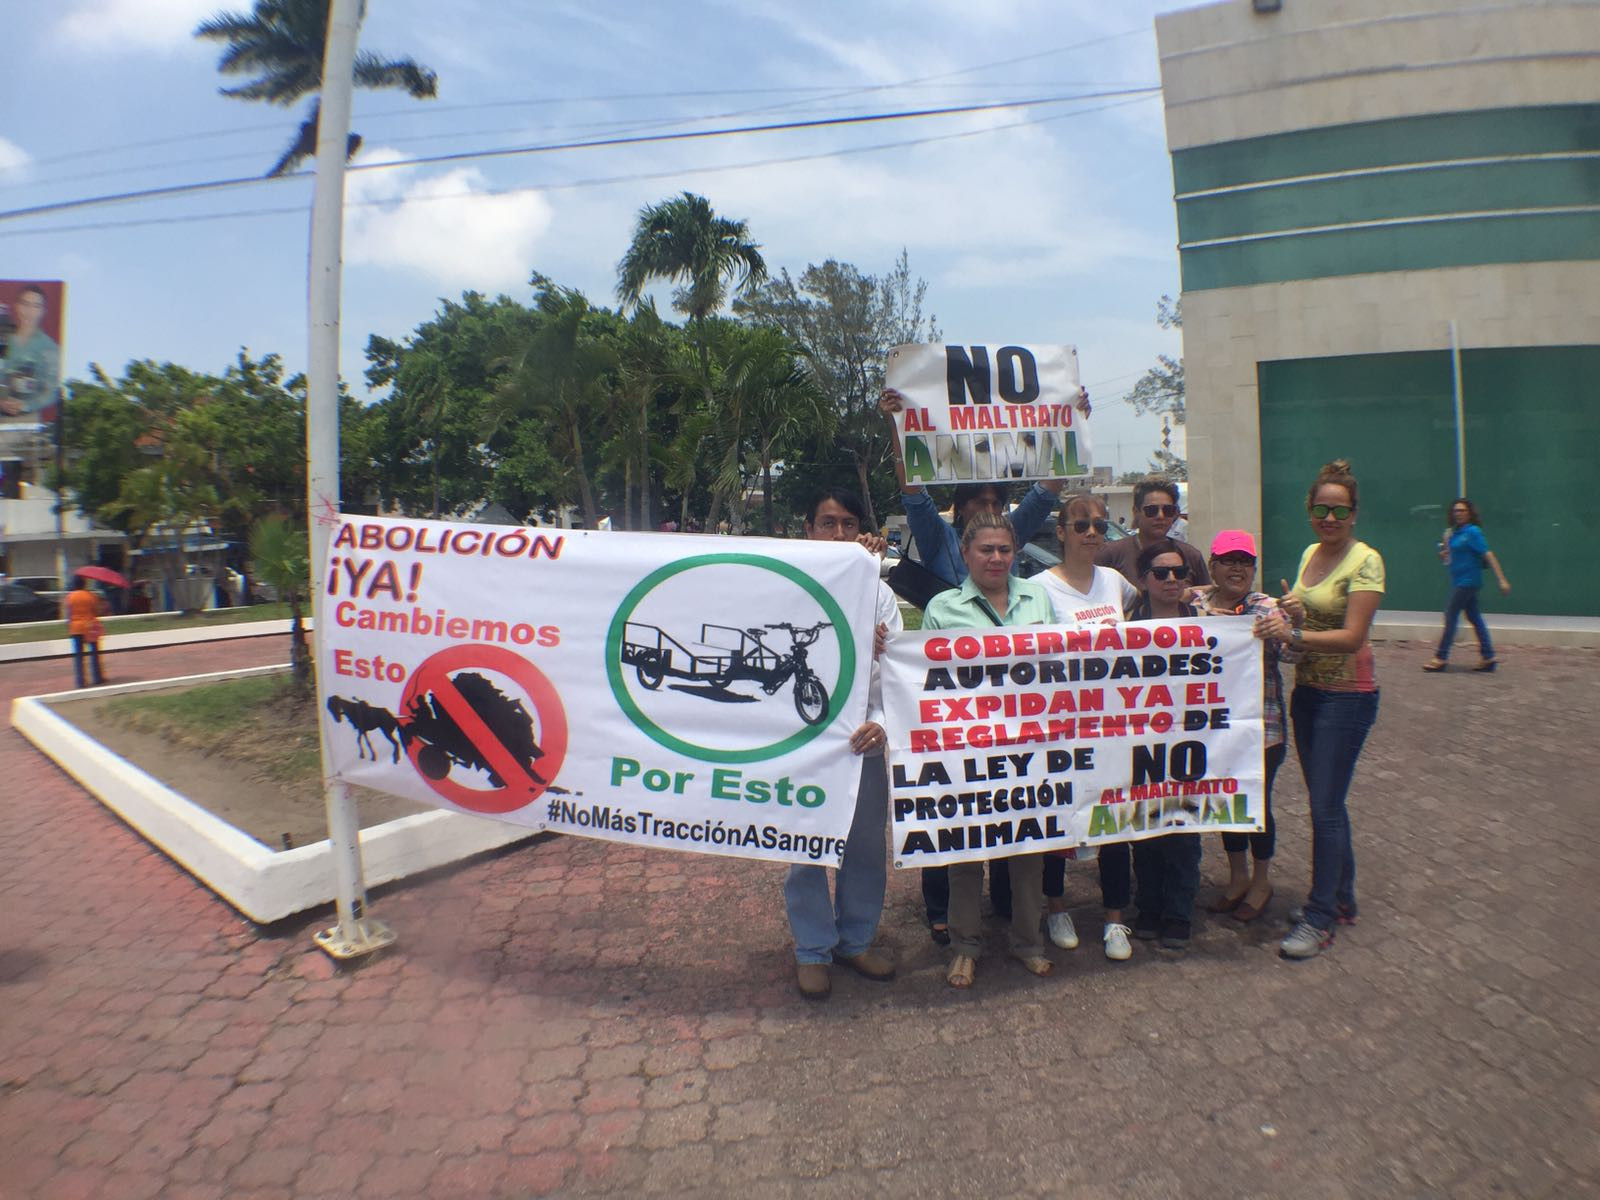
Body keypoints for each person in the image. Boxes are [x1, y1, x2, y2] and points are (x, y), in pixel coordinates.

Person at [881, 384, 1088, 941]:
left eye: (999, 508)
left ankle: (1015, 921)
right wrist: (901, 430)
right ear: (964, 521)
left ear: (1010, 543)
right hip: (959, 716)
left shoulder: (1030, 592)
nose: (992, 519)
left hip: (1018, 720)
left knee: (1013, 815)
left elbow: (1046, 493)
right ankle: (945, 916)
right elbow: (916, 496)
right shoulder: (941, 542)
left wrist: (1071, 424)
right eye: (981, 505)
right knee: (950, 817)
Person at [922, 512, 1057, 988]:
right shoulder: (942, 607)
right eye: (986, 549)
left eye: (1004, 549)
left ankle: (1028, 943)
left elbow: (1064, 663)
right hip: (968, 750)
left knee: (1029, 851)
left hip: (1030, 748)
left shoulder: (1039, 597)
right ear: (966, 554)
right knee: (964, 853)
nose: (996, 558)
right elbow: (923, 680)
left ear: (1014, 552)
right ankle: (964, 947)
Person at [1260, 459, 1383, 961]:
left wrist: (1294, 633)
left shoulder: (1366, 561)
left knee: (1325, 809)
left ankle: (1320, 917)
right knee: (1326, 802)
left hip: (1348, 696)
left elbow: (1353, 636)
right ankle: (1342, 899)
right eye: (1320, 509)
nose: (1328, 518)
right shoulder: (1312, 551)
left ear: (1354, 514)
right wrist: (1295, 611)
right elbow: (1313, 613)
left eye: (1339, 511)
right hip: (1308, 690)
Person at [783, 489, 902, 999]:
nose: (838, 534)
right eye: (827, 523)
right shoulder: (782, 586)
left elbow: (896, 673)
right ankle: (812, 948)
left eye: (848, 524)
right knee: (805, 844)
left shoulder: (878, 593)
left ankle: (855, 941)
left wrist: (882, 725)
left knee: (865, 849)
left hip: (863, 743)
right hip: (803, 744)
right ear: (807, 529)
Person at [1033, 491, 1139, 961]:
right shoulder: (1039, 588)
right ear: (1061, 532)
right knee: (1062, 818)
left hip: (1113, 723)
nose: (1092, 532)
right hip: (1060, 726)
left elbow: (1147, 624)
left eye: (1099, 524)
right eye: (1081, 525)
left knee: (1115, 818)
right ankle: (1056, 906)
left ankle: (1116, 919)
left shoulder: (1116, 583)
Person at [1195, 531, 1295, 923]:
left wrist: (1294, 627)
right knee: (1226, 803)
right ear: (1213, 565)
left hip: (1261, 731)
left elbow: (1292, 653)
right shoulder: (1195, 604)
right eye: (1228, 560)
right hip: (1215, 731)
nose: (1237, 568)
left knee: (1257, 803)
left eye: (1245, 561)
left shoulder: (1266, 609)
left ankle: (1262, 880)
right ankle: (1237, 878)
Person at [1121, 540, 1206, 949]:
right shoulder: (1124, 627)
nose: (1171, 579)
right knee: (1146, 831)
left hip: (1191, 743)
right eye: (1161, 572)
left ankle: (1179, 913)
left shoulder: (1209, 622)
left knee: (1185, 833)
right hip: (1141, 745)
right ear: (1143, 580)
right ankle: (1148, 907)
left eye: (1179, 572)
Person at [1424, 497, 1510, 673]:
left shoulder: (1473, 532)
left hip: (1468, 581)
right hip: (1459, 580)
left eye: (1462, 511)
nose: (1459, 514)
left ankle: (1441, 656)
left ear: (1469, 513)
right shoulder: (1455, 533)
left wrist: (1502, 580)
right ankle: (1488, 657)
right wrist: (1445, 552)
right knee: (1474, 617)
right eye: (1456, 511)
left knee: (1451, 614)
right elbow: (1450, 557)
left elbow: (1488, 555)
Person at [1096, 477, 1210, 590]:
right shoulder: (1110, 555)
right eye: (1152, 510)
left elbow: (1206, 600)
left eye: (1168, 510)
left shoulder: (1192, 556)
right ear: (1136, 512)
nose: (1160, 516)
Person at [0, 286, 63, 419]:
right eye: (25, 304)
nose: (30, 311)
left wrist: (25, 405)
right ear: (17, 306)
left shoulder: (50, 347)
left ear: (43, 311)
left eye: (36, 306)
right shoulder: (3, 339)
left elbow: (52, 391)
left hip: (27, 422)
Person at [63, 578, 107, 688]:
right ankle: (97, 677)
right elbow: (96, 611)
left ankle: (80, 682)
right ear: (84, 585)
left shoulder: (69, 597)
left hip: (75, 628)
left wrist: (69, 626)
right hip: (89, 626)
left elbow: (67, 614)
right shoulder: (90, 596)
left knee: (79, 656)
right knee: (94, 653)